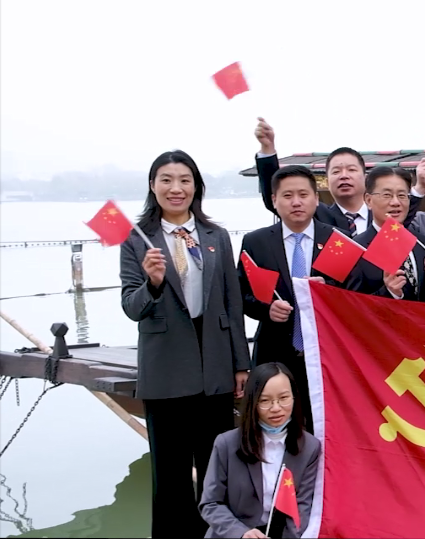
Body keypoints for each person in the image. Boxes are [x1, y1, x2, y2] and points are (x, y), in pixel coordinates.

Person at [119, 150, 250, 537]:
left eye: (184, 180)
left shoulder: (215, 236)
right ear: (153, 186)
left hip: (215, 368)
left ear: (196, 187)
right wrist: (153, 284)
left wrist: (240, 364)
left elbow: (232, 302)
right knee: (170, 475)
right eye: (166, 180)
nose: (176, 188)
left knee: (216, 472)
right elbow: (131, 307)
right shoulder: (137, 240)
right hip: (165, 372)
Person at [238, 165, 341, 432]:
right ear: (274, 200)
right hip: (274, 353)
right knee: (275, 430)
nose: (296, 202)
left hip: (325, 354)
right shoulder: (256, 242)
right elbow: (242, 296)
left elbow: (351, 294)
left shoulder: (336, 240)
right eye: (287, 195)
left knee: (323, 428)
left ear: (316, 198)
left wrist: (328, 291)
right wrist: (266, 309)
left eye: (303, 195)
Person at [200, 362, 321, 539]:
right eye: (265, 401)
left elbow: (302, 509)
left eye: (284, 398)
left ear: (294, 397)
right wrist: (241, 533)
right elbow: (211, 504)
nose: (276, 408)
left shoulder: (310, 447)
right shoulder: (226, 443)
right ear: (252, 402)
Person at [253, 117, 366, 234]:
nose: (344, 176)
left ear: (366, 178)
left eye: (351, 170)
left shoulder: (378, 212)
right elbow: (276, 191)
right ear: (327, 181)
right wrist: (267, 149)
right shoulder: (316, 213)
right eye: (336, 171)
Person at [345, 166, 425, 300]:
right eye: (387, 195)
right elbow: (351, 304)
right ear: (368, 200)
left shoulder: (423, 243)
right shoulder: (355, 249)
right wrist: (389, 292)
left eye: (402, 195)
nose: (396, 202)